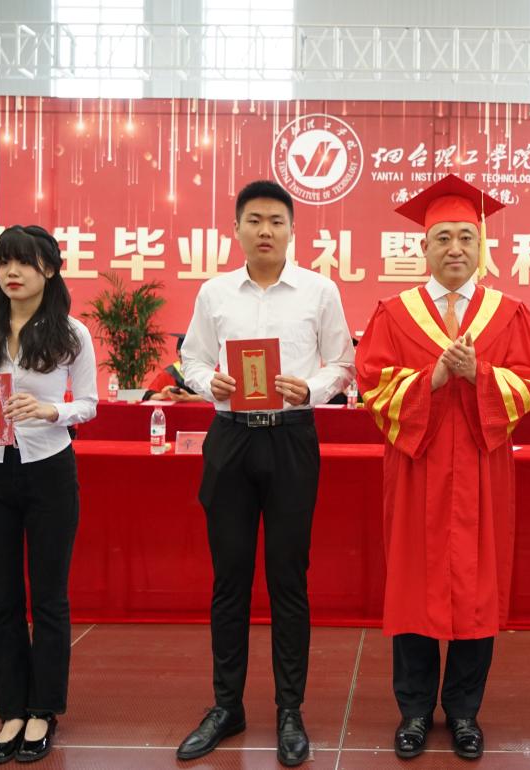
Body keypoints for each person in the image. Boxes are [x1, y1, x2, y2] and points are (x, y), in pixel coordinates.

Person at [355, 174, 530, 761]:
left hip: (483, 469)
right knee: (413, 586)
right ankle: (414, 710)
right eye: (443, 238)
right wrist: (435, 376)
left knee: (477, 590)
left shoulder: (508, 313)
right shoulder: (395, 313)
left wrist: (478, 374)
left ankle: (464, 711)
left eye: (467, 236)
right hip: (418, 468)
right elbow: (372, 385)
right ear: (424, 247)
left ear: (482, 245)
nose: (456, 248)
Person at [176, 180, 355, 766]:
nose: (265, 231)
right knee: (229, 580)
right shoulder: (214, 293)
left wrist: (314, 388)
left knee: (288, 579)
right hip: (230, 437)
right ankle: (227, 705)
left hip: (291, 438)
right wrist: (208, 382)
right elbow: (191, 357)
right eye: (253, 220)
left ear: (292, 230)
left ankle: (289, 709)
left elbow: (344, 362)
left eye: (276, 221)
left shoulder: (319, 290)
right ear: (236, 229)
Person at [0, 225, 97, 764]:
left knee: (49, 597)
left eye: (24, 263)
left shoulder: (71, 333)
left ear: (50, 270)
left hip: (50, 468)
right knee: (2, 598)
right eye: (3, 262)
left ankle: (42, 710)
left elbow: (89, 404)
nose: (11, 272)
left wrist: (51, 409)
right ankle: (10, 709)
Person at [142, 334, 204, 402]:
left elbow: (213, 398)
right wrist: (163, 395)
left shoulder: (208, 373)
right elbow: (148, 396)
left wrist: (189, 398)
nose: (184, 361)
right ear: (177, 353)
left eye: (188, 357)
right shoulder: (169, 373)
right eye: (181, 356)